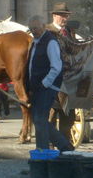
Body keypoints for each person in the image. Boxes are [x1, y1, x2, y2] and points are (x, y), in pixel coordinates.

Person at [26, 15, 73, 152]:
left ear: (43, 27)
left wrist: (45, 83)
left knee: (40, 120)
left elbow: (56, 66)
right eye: (31, 29)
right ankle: (64, 146)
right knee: (39, 120)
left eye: (36, 28)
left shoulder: (50, 42)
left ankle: (43, 153)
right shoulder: (36, 42)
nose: (34, 31)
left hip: (47, 87)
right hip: (37, 88)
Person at [46, 2, 75, 142]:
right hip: (52, 80)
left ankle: (65, 144)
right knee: (51, 114)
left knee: (68, 116)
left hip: (68, 80)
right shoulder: (46, 31)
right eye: (63, 15)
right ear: (54, 15)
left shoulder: (69, 31)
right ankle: (51, 145)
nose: (65, 18)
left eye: (67, 16)